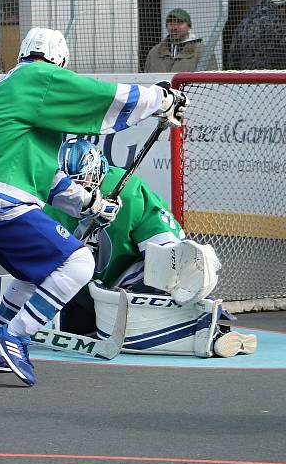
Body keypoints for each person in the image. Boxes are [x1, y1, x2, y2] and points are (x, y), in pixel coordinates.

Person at [0, 27, 188, 385]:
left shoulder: (13, 90)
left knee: (35, 272)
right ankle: (14, 337)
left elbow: (44, 174)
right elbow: (101, 95)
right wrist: (161, 100)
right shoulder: (39, 78)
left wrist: (90, 205)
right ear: (59, 61)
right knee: (78, 263)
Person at [49, 138, 256, 358]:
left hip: (127, 281)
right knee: (71, 324)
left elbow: (167, 251)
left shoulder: (128, 192)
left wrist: (176, 277)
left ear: (99, 170)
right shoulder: (50, 202)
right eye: (72, 184)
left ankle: (213, 330)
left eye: (84, 181)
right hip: (82, 288)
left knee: (161, 289)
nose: (79, 190)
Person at [227, 0, 286, 70]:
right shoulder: (279, 26)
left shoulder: (244, 24)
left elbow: (233, 56)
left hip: (246, 78)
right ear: (279, 6)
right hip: (272, 79)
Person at [144, 8, 217, 72]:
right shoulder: (154, 53)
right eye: (171, 23)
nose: (175, 27)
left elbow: (212, 83)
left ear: (189, 26)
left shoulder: (203, 52)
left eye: (179, 23)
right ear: (167, 27)